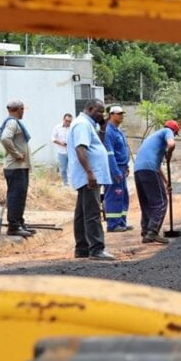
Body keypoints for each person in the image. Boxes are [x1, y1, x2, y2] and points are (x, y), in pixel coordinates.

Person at [67, 99, 115, 261]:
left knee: (82, 212)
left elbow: (95, 145)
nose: (102, 115)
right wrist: (90, 173)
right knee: (93, 212)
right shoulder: (82, 124)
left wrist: (102, 129)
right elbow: (80, 148)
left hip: (87, 175)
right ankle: (96, 249)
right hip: (88, 176)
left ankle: (82, 248)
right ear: (90, 109)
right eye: (100, 111)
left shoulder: (87, 124)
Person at [134, 120, 179, 244]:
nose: (174, 136)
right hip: (149, 170)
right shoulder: (167, 131)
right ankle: (153, 232)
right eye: (175, 134)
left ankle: (146, 232)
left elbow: (157, 167)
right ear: (174, 131)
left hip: (138, 170)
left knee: (147, 204)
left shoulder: (153, 138)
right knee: (161, 202)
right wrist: (169, 154)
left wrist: (166, 182)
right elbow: (171, 144)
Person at [0, 100, 34, 237]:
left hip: (20, 167)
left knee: (20, 196)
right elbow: (5, 138)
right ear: (18, 109)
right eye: (22, 109)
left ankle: (19, 223)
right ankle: (14, 226)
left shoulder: (14, 122)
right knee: (15, 196)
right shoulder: (12, 122)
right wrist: (16, 154)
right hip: (15, 167)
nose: (23, 112)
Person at [103, 106, 134, 232]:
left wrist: (126, 166)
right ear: (111, 115)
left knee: (123, 195)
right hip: (114, 168)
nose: (121, 116)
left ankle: (121, 222)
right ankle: (113, 224)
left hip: (121, 167)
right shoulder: (109, 131)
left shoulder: (118, 130)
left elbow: (122, 149)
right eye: (118, 114)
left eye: (122, 114)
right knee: (114, 195)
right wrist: (115, 171)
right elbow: (109, 153)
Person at [51, 113, 72, 186]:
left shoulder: (72, 128)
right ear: (63, 119)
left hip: (71, 151)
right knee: (63, 169)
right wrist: (61, 143)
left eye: (69, 121)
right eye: (66, 121)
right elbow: (52, 138)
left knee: (71, 168)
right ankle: (65, 183)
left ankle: (71, 183)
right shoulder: (57, 127)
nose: (68, 123)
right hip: (61, 151)